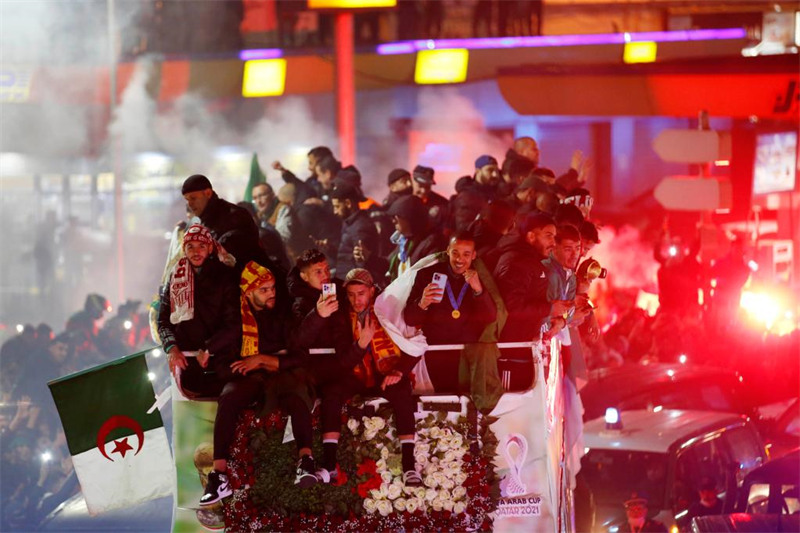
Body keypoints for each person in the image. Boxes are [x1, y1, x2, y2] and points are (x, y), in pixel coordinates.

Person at [156, 224, 241, 505]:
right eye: (190, 246)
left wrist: (210, 347)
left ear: (210, 248)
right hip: (187, 370)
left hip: (221, 363)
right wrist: (171, 347)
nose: (195, 252)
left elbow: (234, 324)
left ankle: (225, 476)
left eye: (201, 246)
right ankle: (195, 491)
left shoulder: (226, 277)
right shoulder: (174, 276)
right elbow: (163, 319)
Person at [315, 268, 422, 487]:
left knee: (402, 392)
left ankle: (410, 466)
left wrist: (398, 371)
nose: (356, 300)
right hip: (356, 376)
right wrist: (361, 344)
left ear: (372, 291)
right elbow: (345, 360)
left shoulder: (389, 308)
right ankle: (328, 466)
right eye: (351, 295)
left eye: (361, 293)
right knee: (331, 393)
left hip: (387, 373)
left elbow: (416, 345)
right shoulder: (340, 315)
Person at [403, 231, 497, 392]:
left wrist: (479, 290)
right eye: (455, 253)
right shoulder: (426, 275)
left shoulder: (481, 276)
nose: (460, 259)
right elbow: (409, 319)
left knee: (468, 404)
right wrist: (422, 303)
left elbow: (490, 317)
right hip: (435, 353)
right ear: (448, 251)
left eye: (466, 254)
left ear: (474, 255)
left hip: (468, 356)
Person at [493, 213, 570, 342]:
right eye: (548, 236)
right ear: (531, 236)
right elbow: (512, 307)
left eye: (554, 237)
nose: (553, 243)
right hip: (513, 346)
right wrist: (549, 309)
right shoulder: (516, 262)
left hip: (525, 342)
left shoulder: (531, 261)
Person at [181, 174, 266, 272]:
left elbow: (240, 261)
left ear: (208, 193)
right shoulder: (194, 224)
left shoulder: (236, 216)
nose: (190, 204)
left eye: (193, 198)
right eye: (187, 200)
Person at [386, 195, 447, 281]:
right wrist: (369, 258)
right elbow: (387, 264)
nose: (393, 221)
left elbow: (428, 277)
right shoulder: (405, 240)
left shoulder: (432, 242)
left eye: (396, 216)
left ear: (409, 218)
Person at [331, 182, 383, 283]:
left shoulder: (360, 227)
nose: (335, 211)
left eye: (337, 206)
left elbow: (362, 266)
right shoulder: (349, 223)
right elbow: (346, 256)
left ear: (348, 203)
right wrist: (330, 249)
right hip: (342, 280)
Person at [411, 165, 449, 234]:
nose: (423, 191)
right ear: (412, 181)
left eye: (427, 187)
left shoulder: (442, 204)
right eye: (420, 186)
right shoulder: (402, 201)